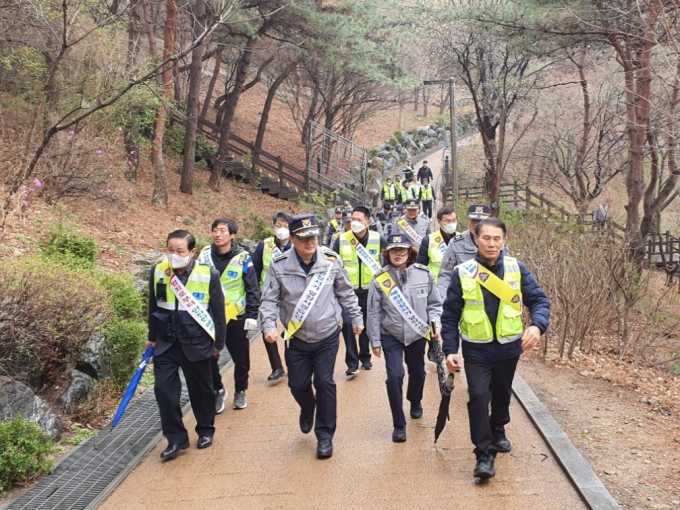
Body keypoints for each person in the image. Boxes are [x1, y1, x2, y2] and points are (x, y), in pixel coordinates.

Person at [441, 218, 550, 479]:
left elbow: (538, 300)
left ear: (503, 241)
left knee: (501, 393)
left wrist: (537, 326)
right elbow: (450, 315)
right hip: (476, 348)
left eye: (496, 239)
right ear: (476, 239)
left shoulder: (516, 269)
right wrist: (449, 350)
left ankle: (498, 426)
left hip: (509, 346)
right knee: (478, 395)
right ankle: (484, 453)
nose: (491, 243)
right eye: (486, 238)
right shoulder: (463, 271)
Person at [259, 214, 364, 459]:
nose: (310, 242)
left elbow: (347, 293)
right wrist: (268, 326)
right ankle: (307, 408)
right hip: (296, 338)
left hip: (327, 335)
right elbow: (269, 300)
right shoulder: (279, 265)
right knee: (298, 385)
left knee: (325, 382)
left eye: (313, 237)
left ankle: (325, 435)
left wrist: (357, 319)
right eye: (304, 238)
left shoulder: (331, 260)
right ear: (292, 239)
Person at [147, 230, 226, 460]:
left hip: (197, 342)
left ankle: (205, 430)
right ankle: (175, 439)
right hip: (166, 342)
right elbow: (153, 306)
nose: (174, 255)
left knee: (201, 391)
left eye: (179, 251)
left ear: (192, 252)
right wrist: (152, 337)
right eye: (170, 250)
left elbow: (218, 312)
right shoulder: (158, 270)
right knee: (164, 392)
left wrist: (219, 342)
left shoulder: (207, 273)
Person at [367, 234, 442, 443]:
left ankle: (415, 400)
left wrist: (435, 323)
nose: (398, 254)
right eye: (393, 250)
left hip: (417, 334)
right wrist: (375, 340)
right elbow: (373, 311)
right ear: (387, 253)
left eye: (402, 250)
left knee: (418, 373)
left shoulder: (423, 274)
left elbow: (434, 304)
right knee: (394, 376)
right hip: (390, 334)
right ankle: (398, 424)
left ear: (410, 252)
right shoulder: (380, 278)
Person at [198, 218, 260, 413]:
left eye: (222, 231)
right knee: (208, 358)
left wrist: (251, 314)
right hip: (209, 317)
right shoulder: (204, 255)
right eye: (215, 230)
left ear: (232, 235)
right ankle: (218, 390)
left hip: (235, 317)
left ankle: (240, 390)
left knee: (240, 358)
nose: (218, 234)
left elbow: (253, 288)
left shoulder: (242, 257)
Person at [332, 205, 386, 375]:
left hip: (370, 292)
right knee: (348, 325)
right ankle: (352, 362)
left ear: (368, 222)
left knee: (366, 326)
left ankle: (365, 356)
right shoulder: (341, 239)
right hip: (348, 292)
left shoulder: (379, 239)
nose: (354, 223)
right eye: (352, 219)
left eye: (359, 220)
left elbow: (387, 264)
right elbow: (332, 264)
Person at [252, 212, 291, 383]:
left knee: (293, 329)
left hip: (290, 296)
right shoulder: (264, 246)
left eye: (286, 226)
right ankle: (276, 367)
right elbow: (255, 270)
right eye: (278, 225)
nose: (282, 229)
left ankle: (293, 363)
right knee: (267, 329)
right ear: (273, 227)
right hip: (268, 295)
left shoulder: (296, 244)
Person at [437, 204, 499, 298]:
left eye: (481, 221)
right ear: (468, 220)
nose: (477, 224)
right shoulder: (456, 243)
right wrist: (445, 302)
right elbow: (445, 274)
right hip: (464, 299)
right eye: (473, 220)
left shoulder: (499, 243)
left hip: (492, 296)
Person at [416, 206, 458, 283]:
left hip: (457, 286)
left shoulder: (461, 239)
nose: (451, 224)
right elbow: (420, 268)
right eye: (447, 221)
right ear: (439, 222)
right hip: (436, 286)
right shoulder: (428, 240)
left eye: (454, 220)